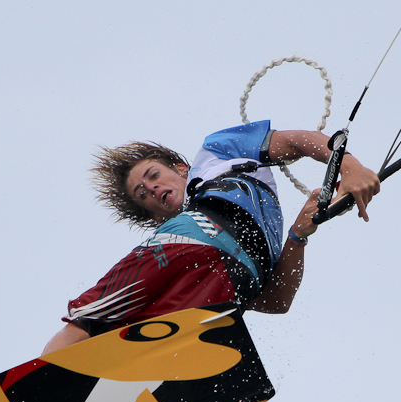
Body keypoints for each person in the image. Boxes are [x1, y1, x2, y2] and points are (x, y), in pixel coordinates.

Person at [42, 120, 380, 355]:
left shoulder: (215, 151)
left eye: (154, 175)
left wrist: (298, 234)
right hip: (188, 243)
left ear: (181, 168)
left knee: (143, 337)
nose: (152, 188)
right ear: (157, 217)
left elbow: (276, 301)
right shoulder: (176, 222)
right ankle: (37, 385)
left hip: (226, 285)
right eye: (142, 194)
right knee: (91, 318)